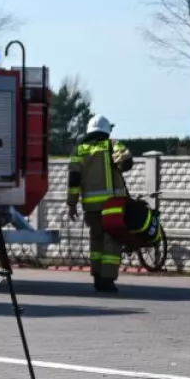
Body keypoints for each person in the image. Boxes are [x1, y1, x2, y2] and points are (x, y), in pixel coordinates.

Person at [67, 113, 131, 292]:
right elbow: (126, 160)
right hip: (113, 205)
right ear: (107, 130)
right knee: (112, 241)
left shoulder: (79, 150)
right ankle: (107, 280)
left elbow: (74, 180)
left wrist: (72, 204)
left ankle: (97, 276)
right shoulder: (111, 144)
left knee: (96, 241)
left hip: (91, 208)